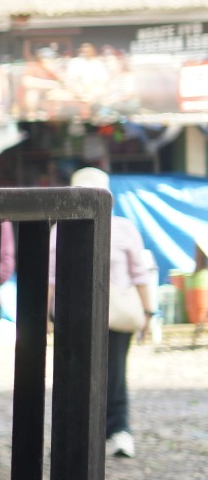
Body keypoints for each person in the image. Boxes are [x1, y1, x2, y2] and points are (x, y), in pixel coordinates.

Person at [67, 168, 157, 458]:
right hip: (76, 316)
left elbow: (140, 274)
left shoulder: (124, 228)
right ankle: (84, 434)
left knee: (114, 374)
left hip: (115, 315)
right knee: (77, 374)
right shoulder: (62, 229)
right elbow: (54, 279)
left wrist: (148, 313)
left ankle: (118, 431)